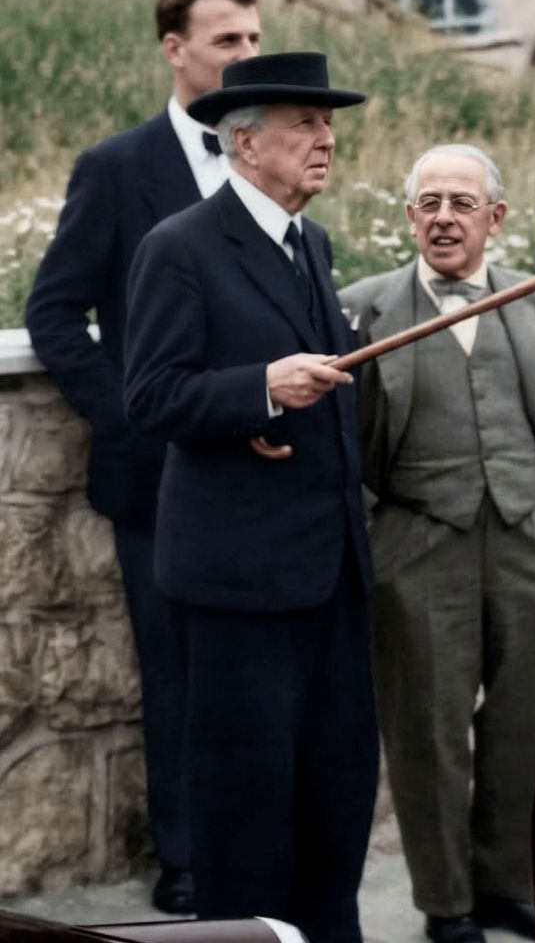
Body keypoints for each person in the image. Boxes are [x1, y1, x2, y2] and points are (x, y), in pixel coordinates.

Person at [22, 0, 263, 916]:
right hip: (156, 474)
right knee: (177, 672)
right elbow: (52, 313)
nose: (247, 54)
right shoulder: (117, 169)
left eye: (253, 38)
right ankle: (188, 863)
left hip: (258, 461)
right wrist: (129, 408)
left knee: (254, 670)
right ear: (175, 49)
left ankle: (253, 852)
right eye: (227, 41)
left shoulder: (272, 154)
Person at [122, 52, 374, 943]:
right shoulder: (179, 247)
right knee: (246, 813)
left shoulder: (313, 243)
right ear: (244, 140)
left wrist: (260, 407)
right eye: (304, 123)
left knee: (335, 799)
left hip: (332, 576)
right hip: (239, 591)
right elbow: (150, 397)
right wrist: (258, 390)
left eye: (328, 122)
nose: (326, 138)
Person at [338, 145, 535, 943]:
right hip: (417, 545)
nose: (445, 217)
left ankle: (505, 882)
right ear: (410, 216)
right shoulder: (363, 308)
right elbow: (342, 445)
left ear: (495, 218)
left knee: (530, 726)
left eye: (462, 203)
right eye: (429, 203)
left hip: (532, 541)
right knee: (428, 732)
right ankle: (446, 903)